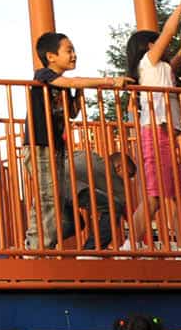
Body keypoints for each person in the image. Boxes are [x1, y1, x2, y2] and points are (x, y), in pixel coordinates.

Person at [26, 32, 117, 250]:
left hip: (55, 146)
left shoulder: (64, 85)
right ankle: (36, 248)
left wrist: (80, 91)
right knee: (47, 197)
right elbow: (71, 81)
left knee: (53, 195)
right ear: (51, 56)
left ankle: (43, 244)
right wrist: (108, 81)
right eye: (69, 50)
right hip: (40, 144)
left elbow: (73, 112)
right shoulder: (43, 74)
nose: (74, 55)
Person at [125, 6, 181, 246]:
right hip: (155, 133)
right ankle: (129, 245)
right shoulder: (148, 61)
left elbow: (179, 60)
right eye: (159, 43)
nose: (163, 46)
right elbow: (168, 30)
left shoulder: (161, 69)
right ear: (149, 46)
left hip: (166, 135)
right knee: (154, 198)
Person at [72, 149, 138, 250]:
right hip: (71, 187)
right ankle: (92, 250)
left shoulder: (88, 155)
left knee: (69, 223)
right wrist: (140, 236)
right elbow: (125, 208)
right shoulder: (110, 174)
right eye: (127, 175)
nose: (125, 180)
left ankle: (44, 249)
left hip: (51, 186)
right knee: (115, 207)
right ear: (119, 168)